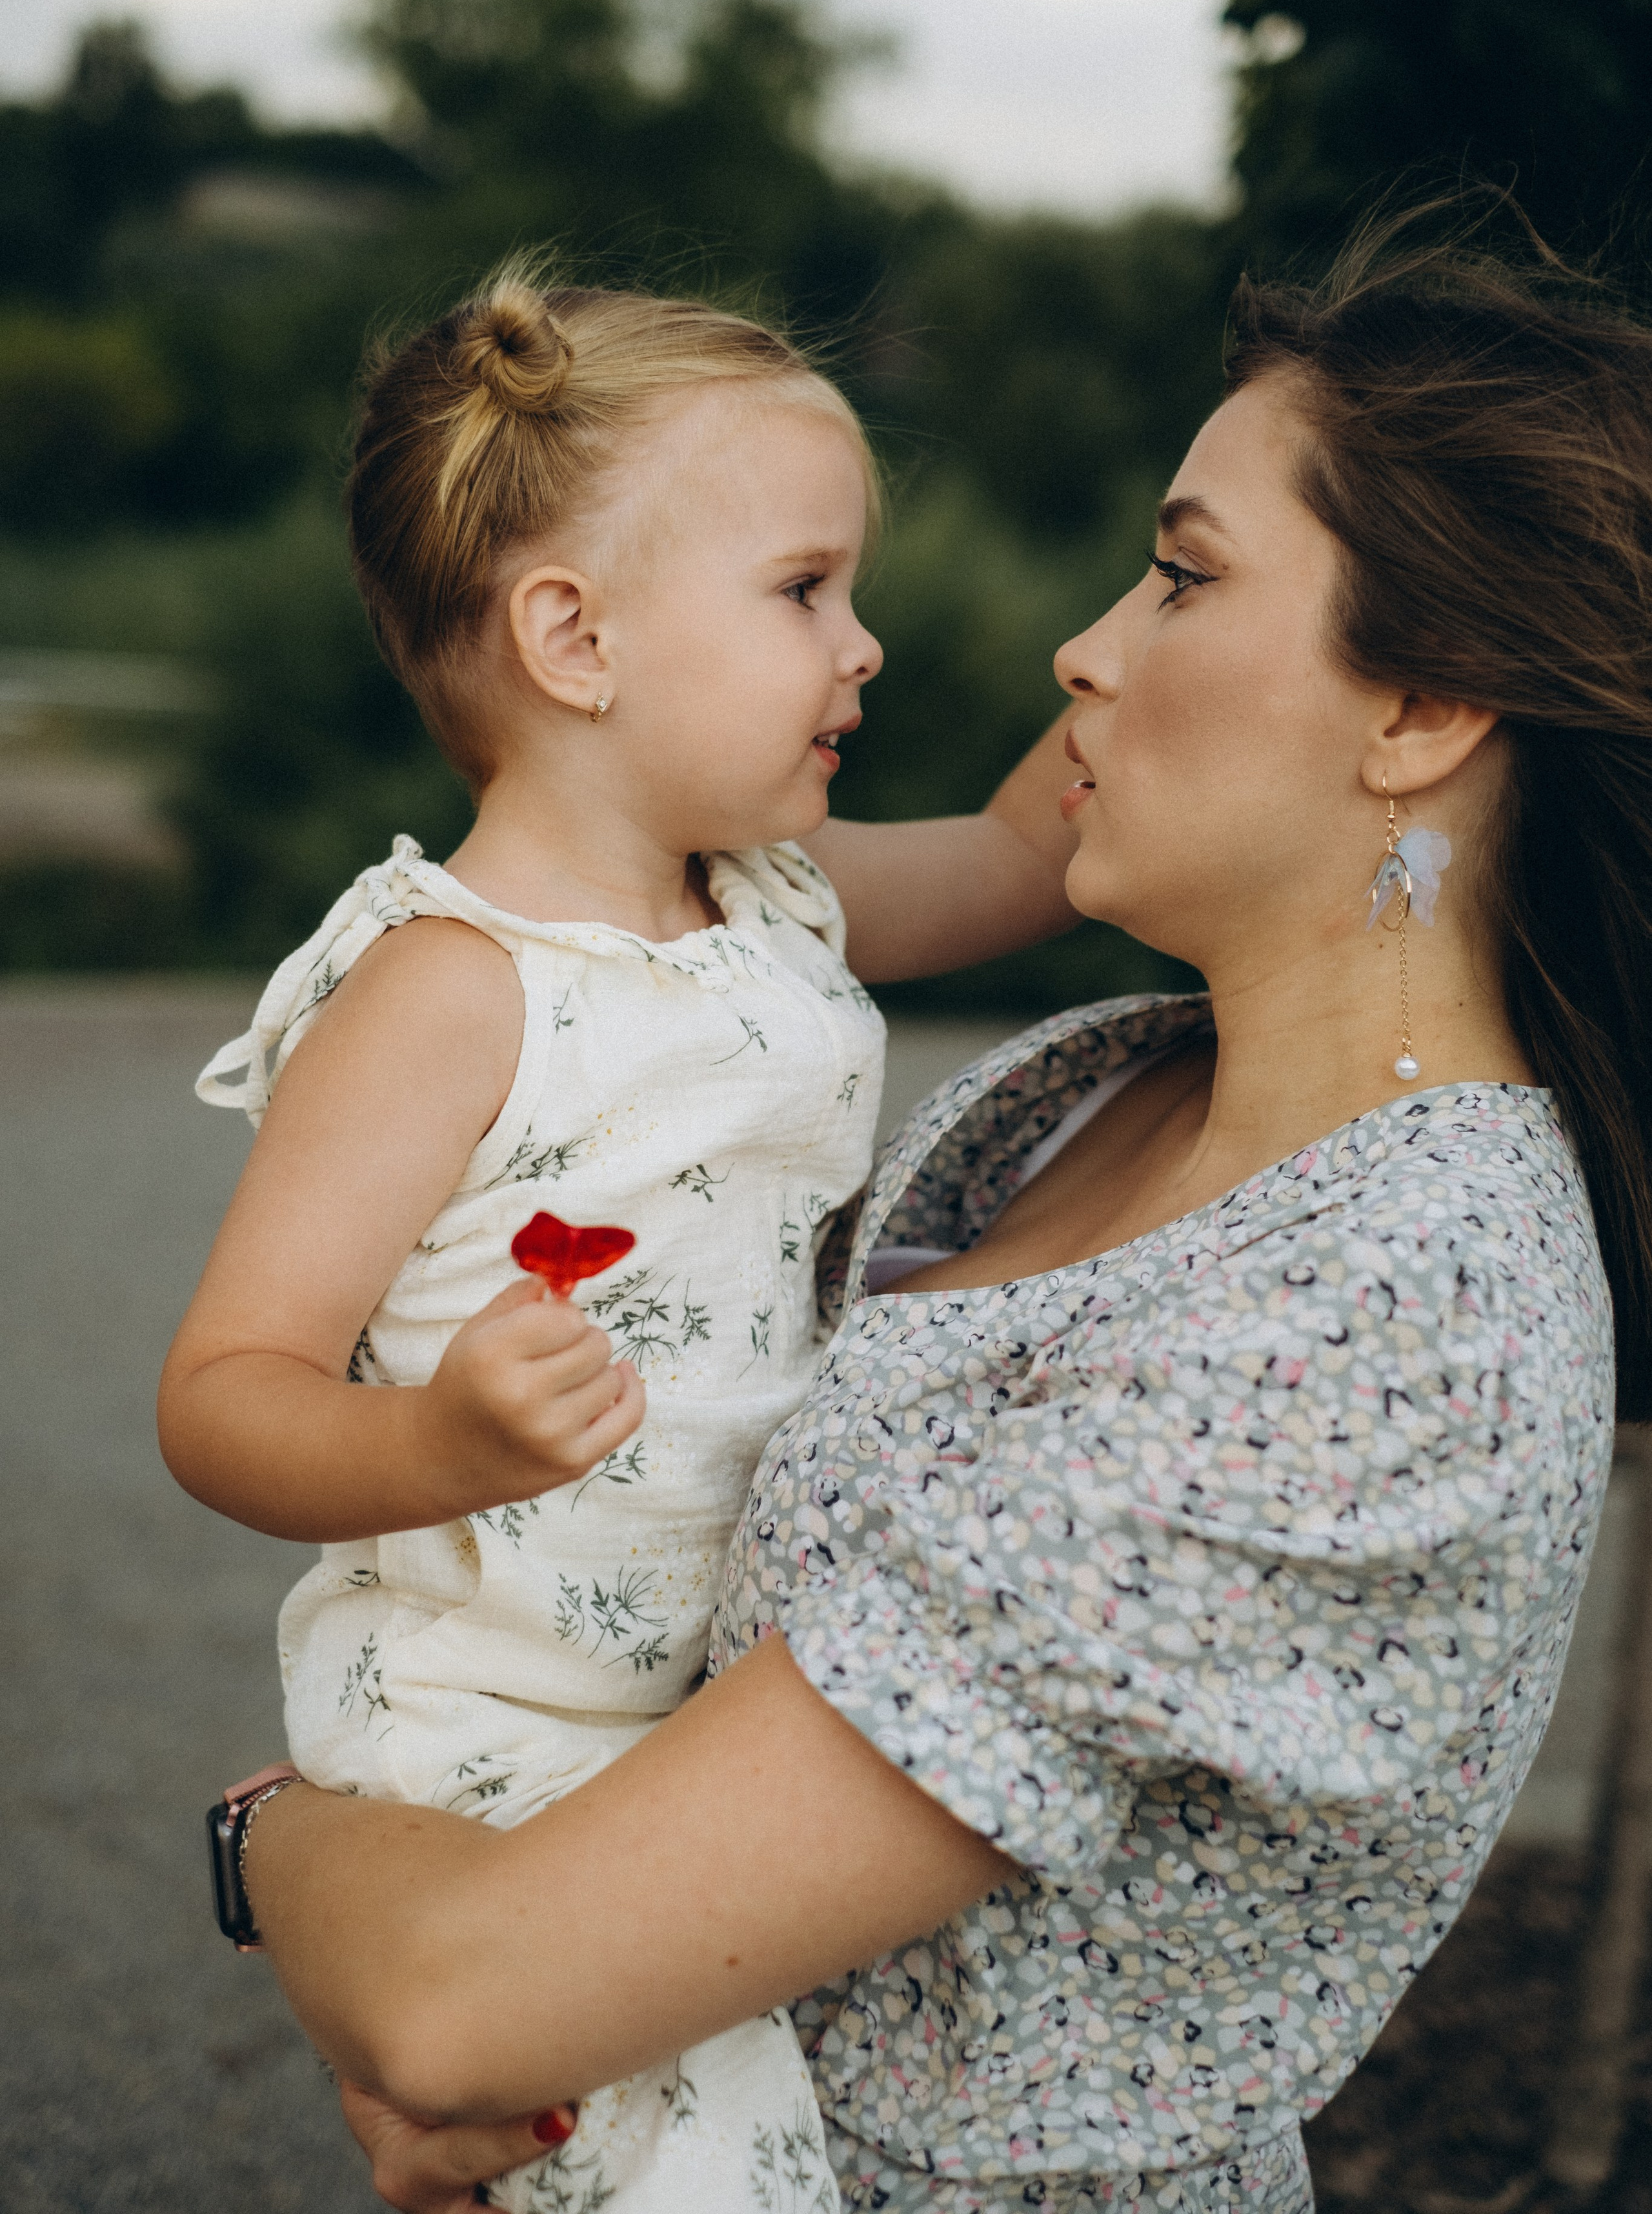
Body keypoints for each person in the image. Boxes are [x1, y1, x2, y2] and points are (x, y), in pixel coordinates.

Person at [241, 225, 1647, 2214]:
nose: (1084, 647)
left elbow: (464, 2011)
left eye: (1181, 575)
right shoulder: (1094, 1085)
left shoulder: (1389, 1309)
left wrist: (279, 1846)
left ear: (1419, 704)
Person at [157, 267, 1080, 2214]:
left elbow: (1017, 864)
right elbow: (222, 1393)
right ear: (572, 636)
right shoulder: (450, 991)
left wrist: (1151, 672)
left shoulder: (778, 894)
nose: (868, 643)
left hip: (706, 1692)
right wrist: (438, 1447)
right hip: (494, 1718)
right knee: (708, 2160)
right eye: (804, 590)